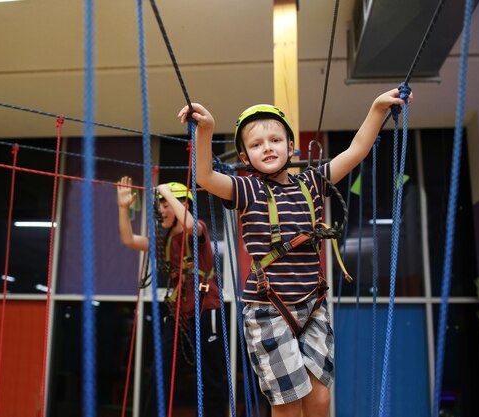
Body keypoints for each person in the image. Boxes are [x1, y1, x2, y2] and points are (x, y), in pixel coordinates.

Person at [177, 88, 412, 417]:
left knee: (318, 399)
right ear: (244, 158)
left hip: (313, 305)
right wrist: (206, 129)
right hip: (268, 309)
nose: (267, 147)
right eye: (256, 144)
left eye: (275, 140)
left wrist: (376, 109)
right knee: (287, 404)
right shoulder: (246, 188)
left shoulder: (312, 182)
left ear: (290, 146)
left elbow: (356, 151)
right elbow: (204, 175)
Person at [116, 177, 228, 417]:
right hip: (179, 314)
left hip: (207, 309)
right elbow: (129, 240)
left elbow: (188, 225)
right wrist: (123, 208)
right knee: (160, 375)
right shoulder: (164, 240)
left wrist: (166, 191)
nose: (161, 211)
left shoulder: (197, 229)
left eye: (165, 205)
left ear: (182, 205)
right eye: (159, 206)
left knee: (211, 378)